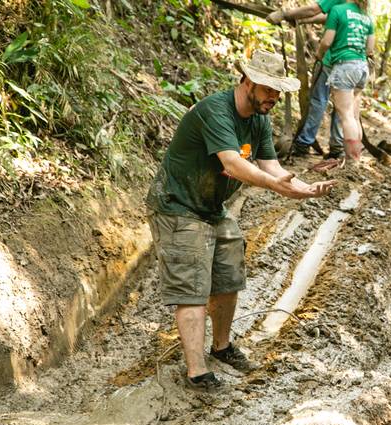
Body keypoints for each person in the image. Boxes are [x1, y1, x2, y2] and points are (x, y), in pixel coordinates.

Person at [145, 50, 337, 391]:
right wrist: (275, 185)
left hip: (211, 207)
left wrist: (303, 188)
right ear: (247, 81)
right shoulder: (216, 111)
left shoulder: (259, 119)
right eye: (268, 89)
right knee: (192, 288)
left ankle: (221, 347)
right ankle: (197, 373)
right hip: (177, 204)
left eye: (278, 91)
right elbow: (233, 164)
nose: (273, 97)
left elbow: (272, 167)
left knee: (229, 274)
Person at [266, 0, 346, 160]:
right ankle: (337, 147)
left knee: (318, 101)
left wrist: (284, 14)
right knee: (342, 104)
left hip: (331, 59)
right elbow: (331, 17)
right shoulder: (359, 8)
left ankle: (303, 143)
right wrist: (302, 20)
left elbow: (314, 9)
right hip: (351, 64)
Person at [317, 0, 375, 166]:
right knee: (354, 116)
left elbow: (326, 41)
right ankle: (356, 158)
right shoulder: (367, 17)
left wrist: (319, 54)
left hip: (345, 66)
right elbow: (370, 49)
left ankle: (352, 162)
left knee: (346, 116)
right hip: (361, 68)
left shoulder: (337, 10)